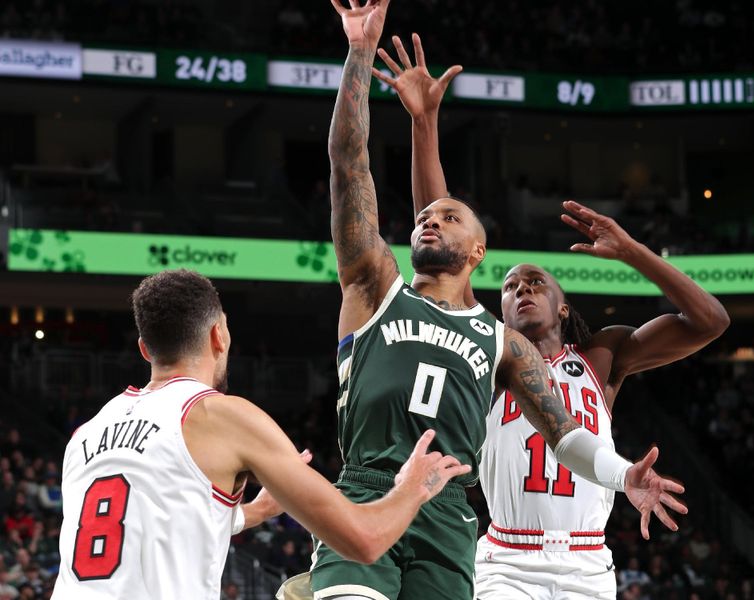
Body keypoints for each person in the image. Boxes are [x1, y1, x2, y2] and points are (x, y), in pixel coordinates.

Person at [310, 4, 685, 600]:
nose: (430, 220)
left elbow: (564, 434)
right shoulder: (375, 287)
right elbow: (348, 165)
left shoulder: (501, 341)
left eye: (448, 216)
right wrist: (359, 51)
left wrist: (623, 475)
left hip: (448, 514)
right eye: (424, 218)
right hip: (367, 487)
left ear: (478, 249)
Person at [52, 268, 473, 599]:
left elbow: (136, 522)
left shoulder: (87, 434)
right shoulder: (223, 416)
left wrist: (252, 513)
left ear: (145, 349)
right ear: (220, 334)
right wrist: (412, 488)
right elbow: (363, 542)